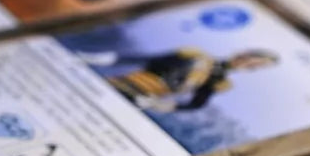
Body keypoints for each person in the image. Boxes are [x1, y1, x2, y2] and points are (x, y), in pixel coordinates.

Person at [84, 48, 279, 113]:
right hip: (123, 83)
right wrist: (111, 58)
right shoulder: (195, 54)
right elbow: (150, 59)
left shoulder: (221, 83)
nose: (251, 66)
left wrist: (162, 105)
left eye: (257, 67)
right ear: (245, 54)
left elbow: (196, 104)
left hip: (142, 99)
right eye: (254, 61)